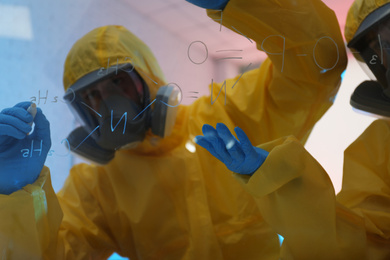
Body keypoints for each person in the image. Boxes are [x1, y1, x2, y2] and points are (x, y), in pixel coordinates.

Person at [0, 0, 346, 259]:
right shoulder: (98, 189)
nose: (110, 106)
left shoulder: (231, 117)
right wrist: (16, 195)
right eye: (92, 97)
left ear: (149, 78)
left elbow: (318, 62)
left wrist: (243, 3)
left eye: (118, 83)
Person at [196, 0, 390, 259]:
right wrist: (280, 184)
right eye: (381, 48)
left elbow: (314, 65)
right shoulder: (381, 147)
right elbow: (358, 247)